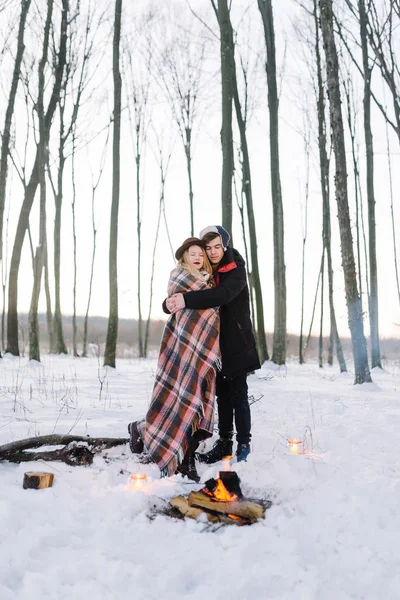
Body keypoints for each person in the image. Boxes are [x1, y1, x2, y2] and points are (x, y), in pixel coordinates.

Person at [166, 225, 260, 463]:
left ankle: (244, 445)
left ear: (225, 246)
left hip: (237, 342)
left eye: (217, 246)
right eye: (208, 248)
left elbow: (223, 295)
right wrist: (169, 303)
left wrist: (184, 300)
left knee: (239, 395)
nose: (213, 252)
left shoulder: (236, 270)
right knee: (222, 396)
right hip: (214, 345)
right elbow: (183, 293)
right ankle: (225, 443)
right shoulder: (206, 272)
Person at [128, 237, 220, 483]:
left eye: (201, 253)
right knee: (178, 400)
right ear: (184, 258)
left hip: (203, 355)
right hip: (181, 350)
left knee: (196, 403)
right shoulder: (180, 278)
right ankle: (176, 454)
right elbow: (175, 307)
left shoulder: (210, 284)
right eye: (192, 253)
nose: (198, 257)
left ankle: (152, 434)